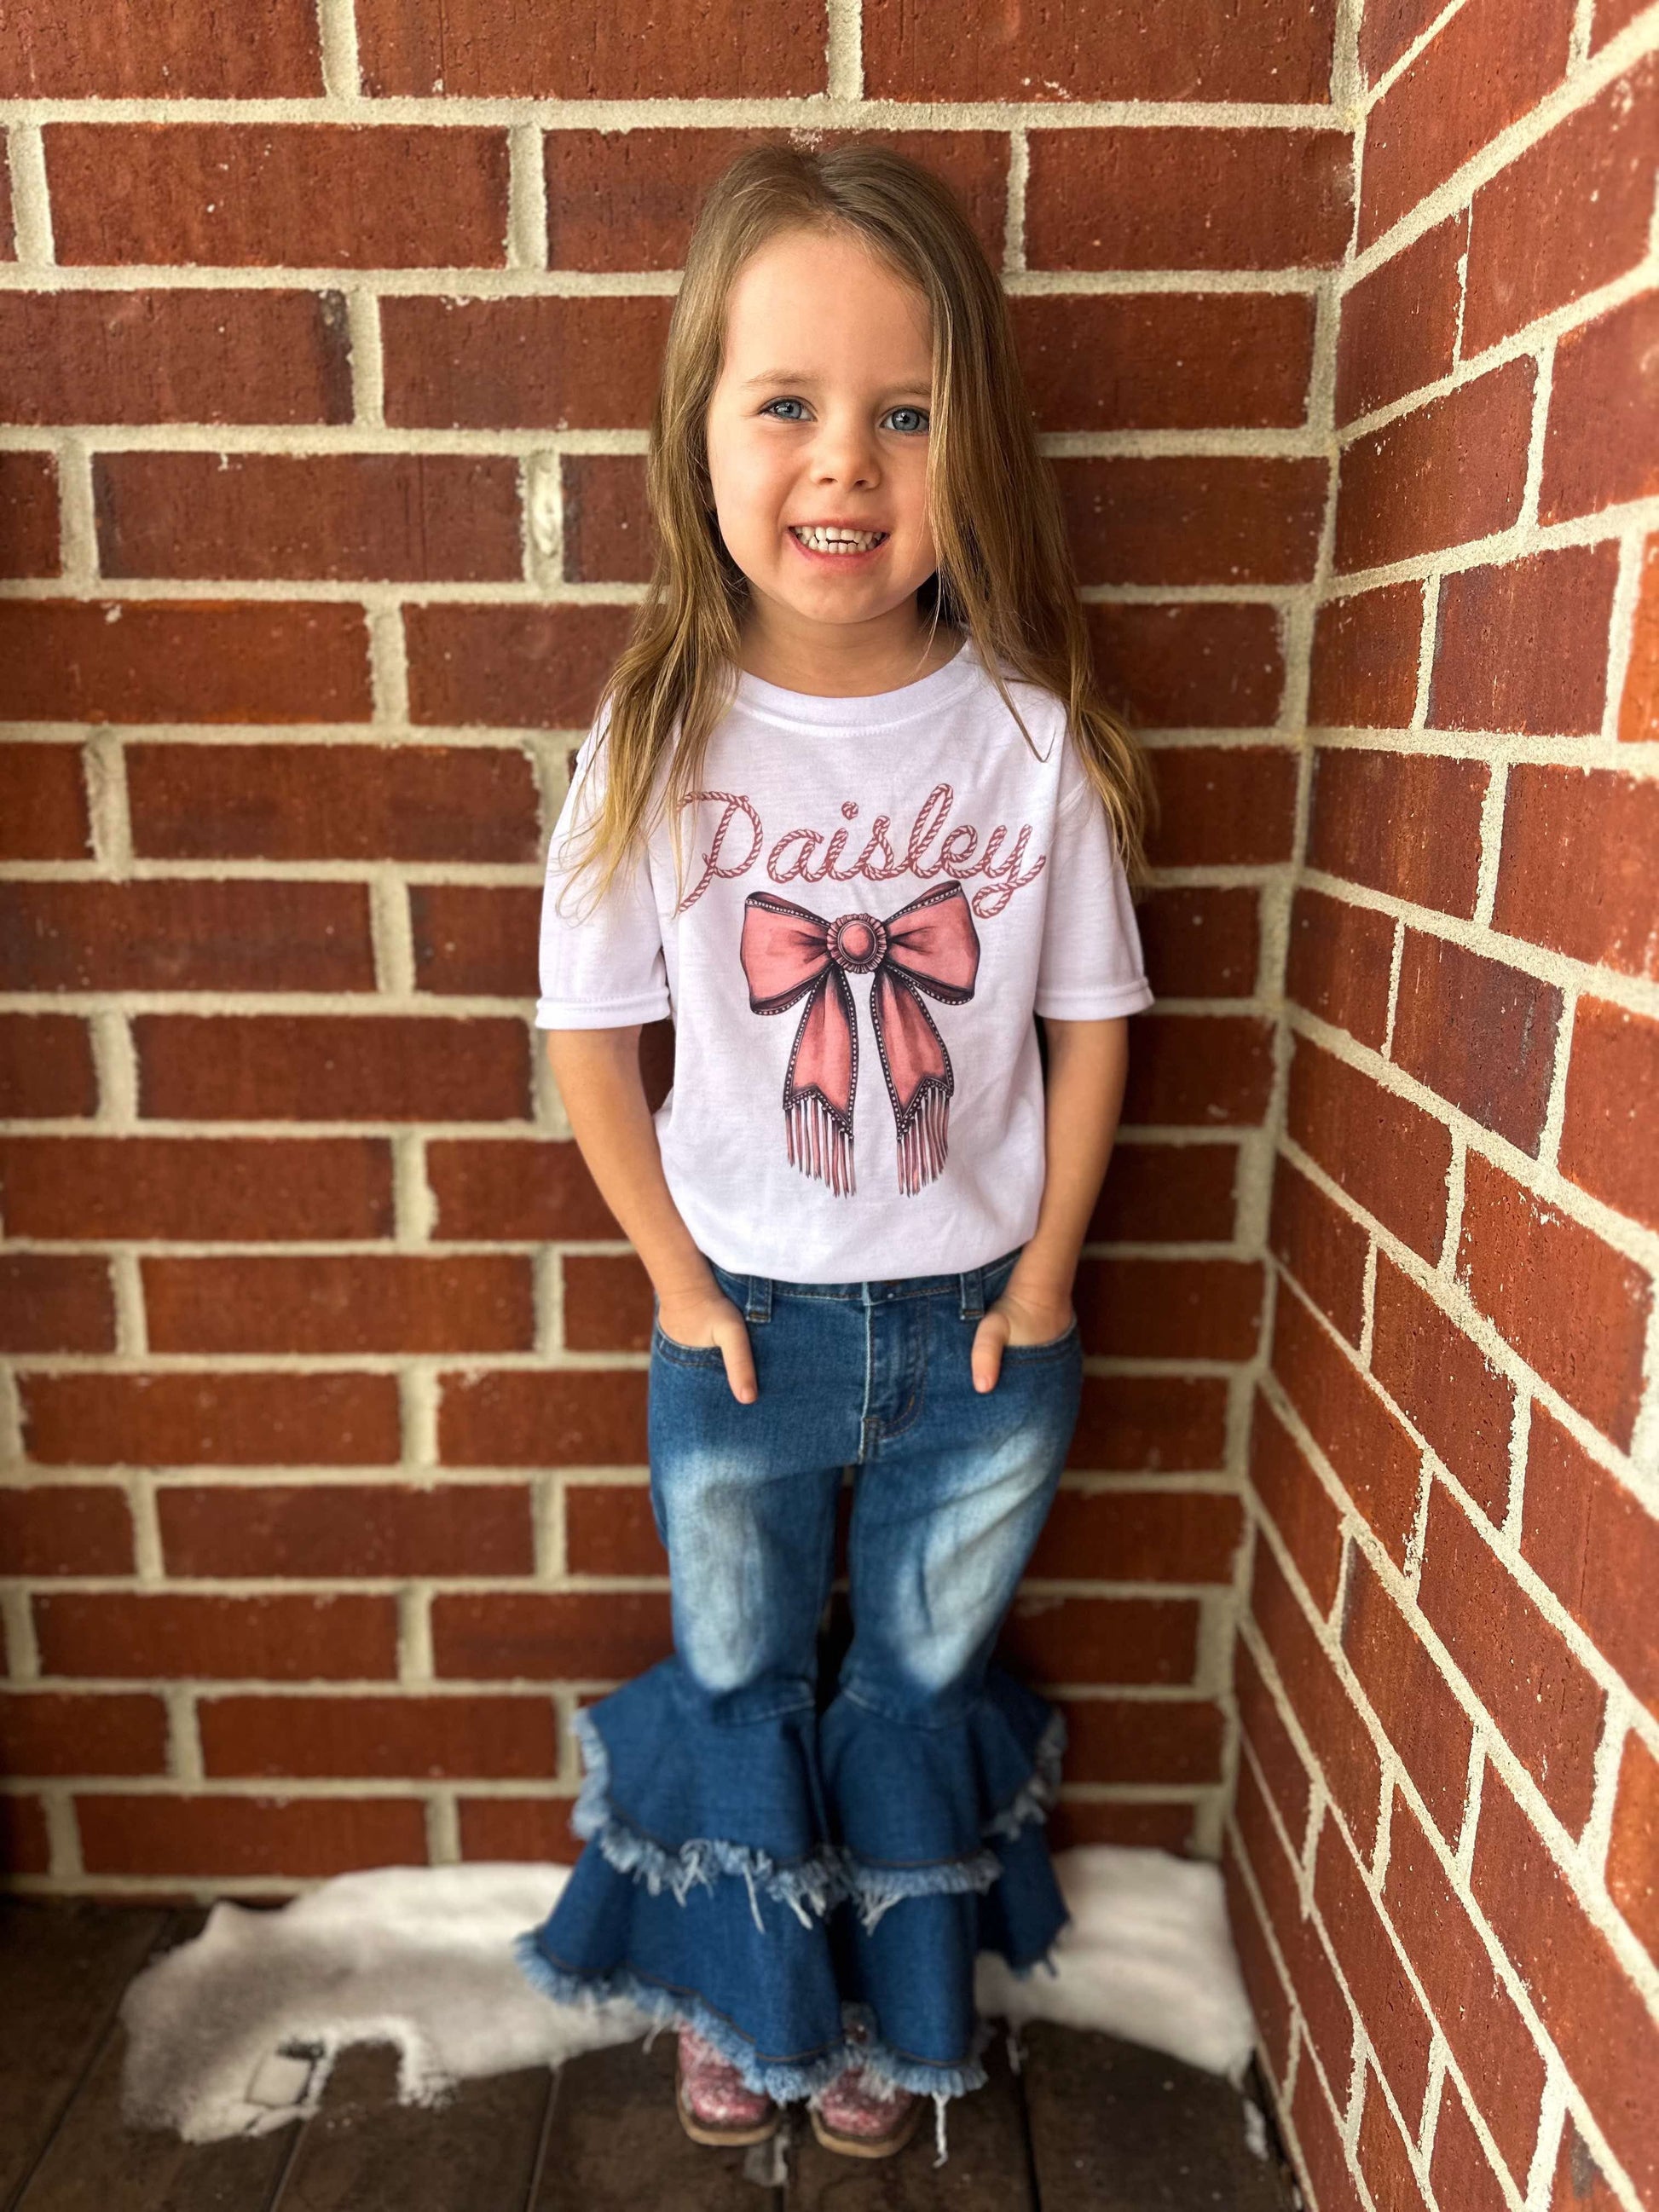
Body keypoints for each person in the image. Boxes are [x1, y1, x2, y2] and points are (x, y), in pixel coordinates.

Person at [513, 141, 1153, 2168]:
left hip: (980, 1324)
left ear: (975, 445)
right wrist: (676, 1280)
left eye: (905, 413)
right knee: (736, 1667)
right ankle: (745, 1994)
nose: (842, 465)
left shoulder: (1029, 743)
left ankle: (883, 1996)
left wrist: (1043, 1274)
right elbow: (588, 1041)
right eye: (784, 402)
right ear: (696, 426)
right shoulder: (657, 736)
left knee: (913, 1673)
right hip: (741, 1321)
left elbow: (1089, 1022)